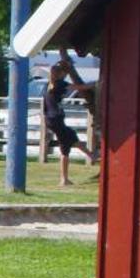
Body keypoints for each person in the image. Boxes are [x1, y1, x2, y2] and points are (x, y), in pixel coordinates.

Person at [43, 52, 95, 186]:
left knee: (71, 135)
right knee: (65, 146)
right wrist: (96, 83)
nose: (66, 75)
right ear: (61, 74)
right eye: (64, 73)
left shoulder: (48, 85)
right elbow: (82, 87)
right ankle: (64, 179)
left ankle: (91, 155)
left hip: (50, 119)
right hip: (56, 119)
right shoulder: (60, 84)